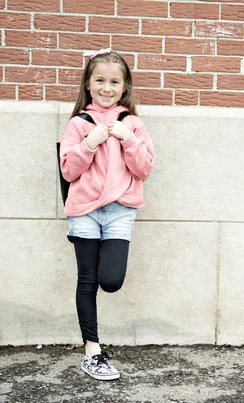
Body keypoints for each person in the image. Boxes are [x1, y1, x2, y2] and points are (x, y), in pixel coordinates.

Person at [58, 49, 155, 381]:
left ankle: (93, 346)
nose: (107, 87)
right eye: (100, 80)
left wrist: (127, 139)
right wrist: (89, 143)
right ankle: (92, 351)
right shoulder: (77, 124)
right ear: (88, 83)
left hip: (118, 212)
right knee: (87, 281)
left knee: (110, 280)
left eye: (114, 81)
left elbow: (144, 169)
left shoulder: (133, 124)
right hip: (85, 211)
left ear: (124, 85)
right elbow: (69, 171)